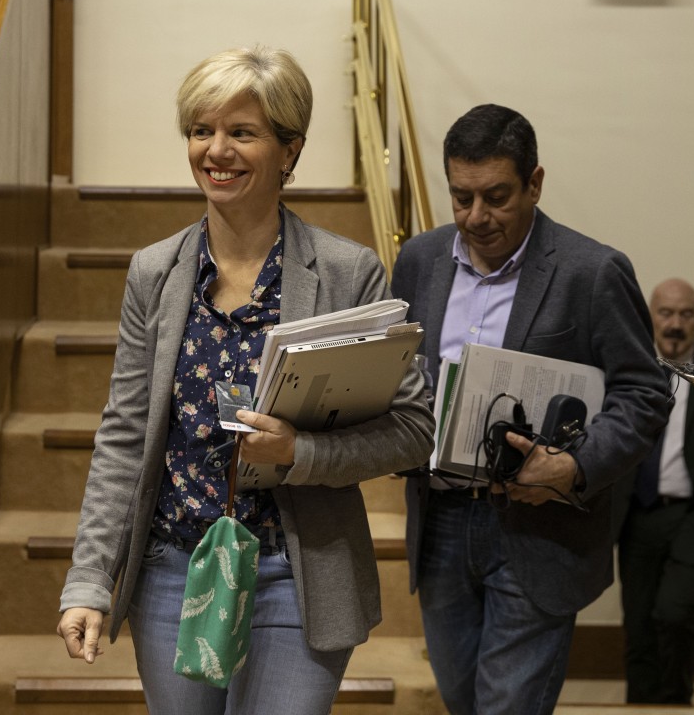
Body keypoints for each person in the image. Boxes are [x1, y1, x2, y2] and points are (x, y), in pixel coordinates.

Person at [55, 45, 434, 715]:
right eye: (201, 130)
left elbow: (412, 429)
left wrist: (300, 453)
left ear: (290, 150)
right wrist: (89, 578)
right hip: (174, 569)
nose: (216, 151)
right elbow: (124, 437)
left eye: (242, 132)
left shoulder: (348, 273)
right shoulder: (154, 272)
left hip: (296, 572)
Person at [390, 103, 671, 715]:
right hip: (439, 521)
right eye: (461, 198)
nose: (476, 217)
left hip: (539, 529)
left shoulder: (592, 271)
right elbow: (399, 374)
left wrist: (574, 467)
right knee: (462, 701)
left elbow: (645, 392)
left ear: (534, 184)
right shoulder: (418, 260)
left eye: (496, 197)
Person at [614, 277, 694, 704]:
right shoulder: (627, 366)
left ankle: (674, 703)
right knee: (638, 624)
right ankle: (640, 706)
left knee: (674, 612)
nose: (675, 324)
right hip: (637, 513)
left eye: (686, 314)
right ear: (650, 317)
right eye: (666, 313)